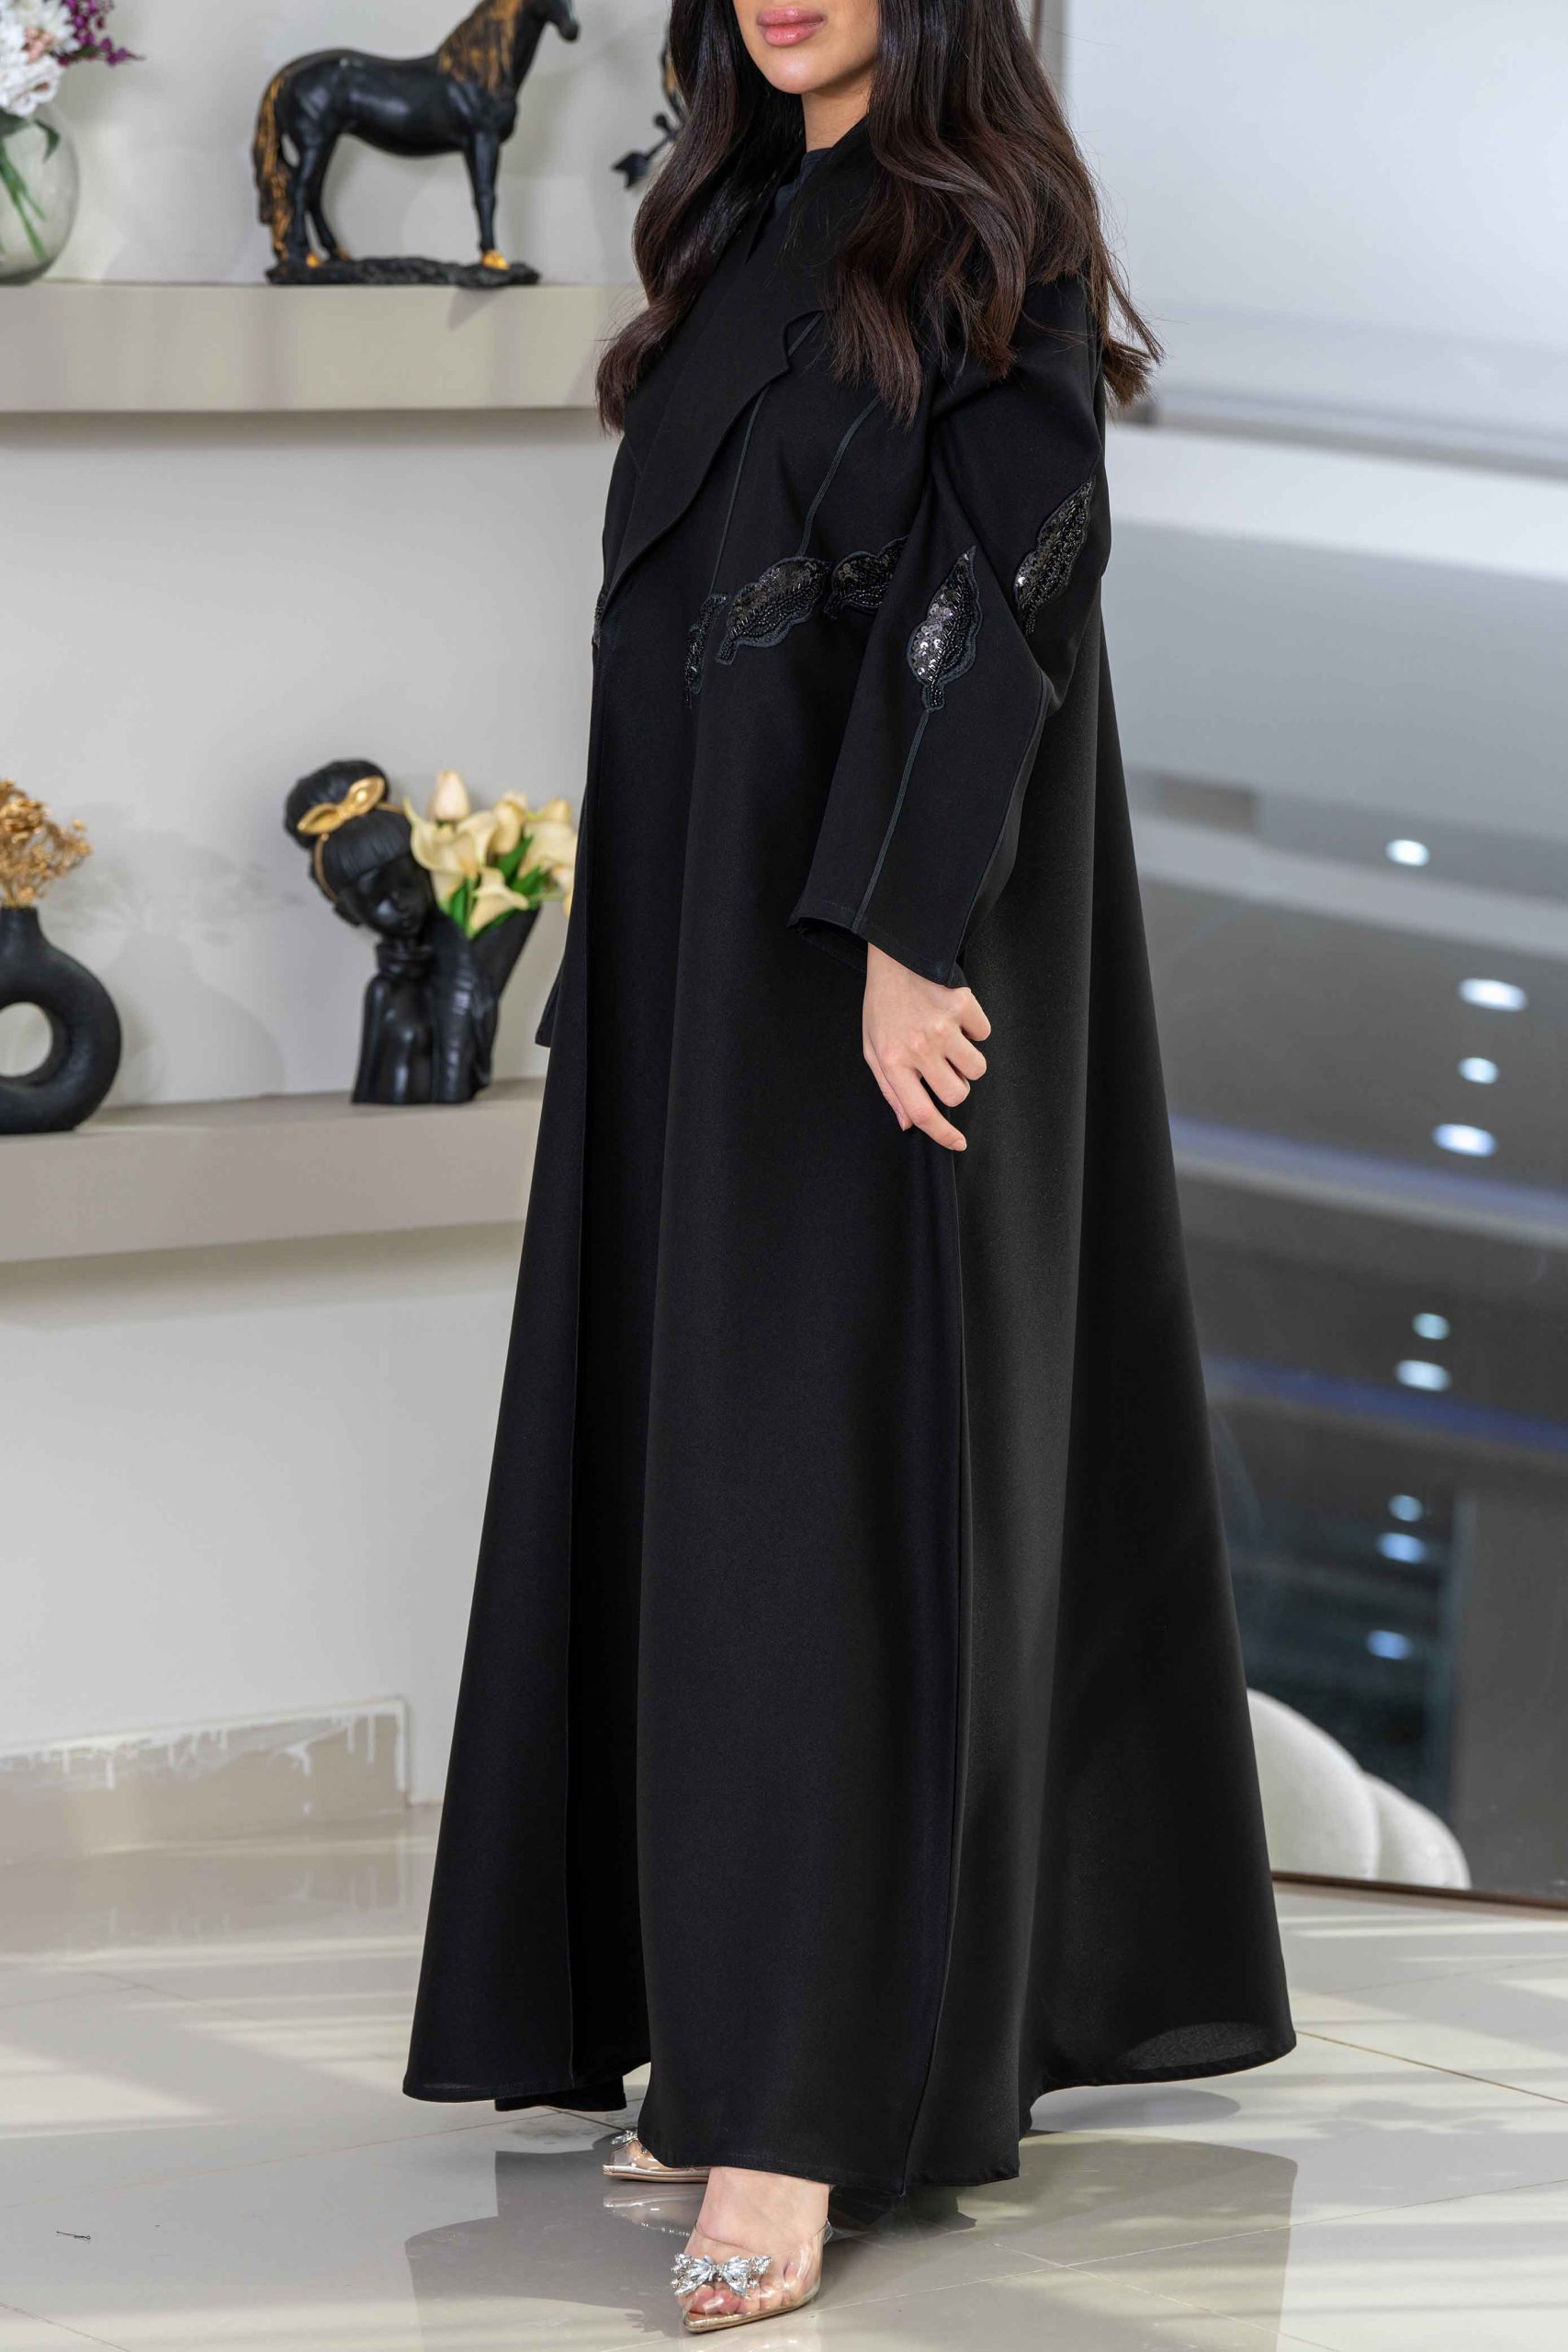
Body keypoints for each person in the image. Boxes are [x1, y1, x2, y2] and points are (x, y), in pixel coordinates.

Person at [404, 0, 1296, 2330]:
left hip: (859, 976)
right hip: (693, 976)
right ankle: (717, 2030)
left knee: (818, 1517)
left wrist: (906, 935)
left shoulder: (987, 234)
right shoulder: (731, 231)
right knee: (696, 1503)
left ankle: (793, 2111)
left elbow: (1013, 584)